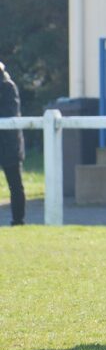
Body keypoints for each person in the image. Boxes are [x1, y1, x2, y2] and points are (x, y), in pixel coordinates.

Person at [0, 61, 25, 227]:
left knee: (15, 185)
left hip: (9, 144)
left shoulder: (8, 87)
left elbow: (10, 113)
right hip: (7, 143)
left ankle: (18, 220)